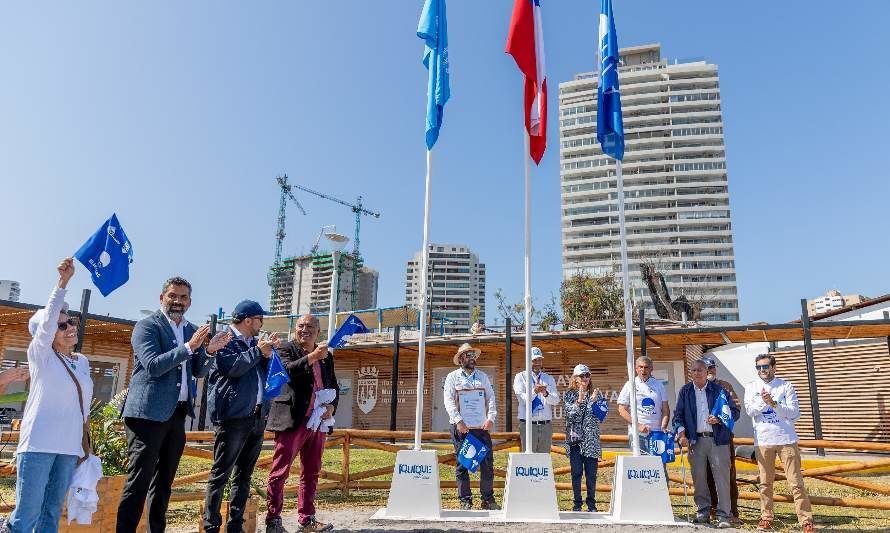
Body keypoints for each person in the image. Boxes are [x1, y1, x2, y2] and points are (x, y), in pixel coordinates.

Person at [117, 277, 223, 533]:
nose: (178, 301)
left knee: (164, 482)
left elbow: (198, 372)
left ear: (190, 301)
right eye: (173, 296)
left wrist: (209, 352)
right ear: (161, 297)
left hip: (177, 415)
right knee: (138, 482)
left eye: (183, 297)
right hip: (146, 416)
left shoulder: (193, 330)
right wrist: (190, 347)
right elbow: (153, 365)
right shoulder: (146, 326)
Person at [8, 258, 94, 533]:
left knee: (51, 515)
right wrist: (62, 283)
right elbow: (44, 329)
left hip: (69, 448)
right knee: (27, 516)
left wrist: (85, 445)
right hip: (39, 445)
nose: (70, 327)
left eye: (70, 322)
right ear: (46, 334)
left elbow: (83, 408)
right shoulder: (41, 356)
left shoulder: (81, 362)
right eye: (61, 325)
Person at [202, 300, 281, 533]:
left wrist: (267, 355)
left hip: (256, 417)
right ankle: (211, 526)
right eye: (260, 320)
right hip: (233, 418)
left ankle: (235, 525)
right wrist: (258, 351)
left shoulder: (254, 344)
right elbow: (232, 368)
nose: (262, 324)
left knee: (244, 475)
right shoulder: (224, 339)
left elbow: (265, 378)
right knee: (221, 474)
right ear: (248, 320)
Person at [265, 314, 338, 533]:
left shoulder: (326, 356)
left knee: (311, 472)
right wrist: (312, 357)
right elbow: (287, 370)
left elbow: (333, 384)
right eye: (300, 326)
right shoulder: (286, 348)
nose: (304, 329)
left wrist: (332, 406)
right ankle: (273, 520)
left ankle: (307, 520)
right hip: (293, 419)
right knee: (280, 472)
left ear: (318, 332)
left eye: (310, 326)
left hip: (317, 422)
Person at [744, 354, 815, 533]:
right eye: (759, 367)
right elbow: (750, 411)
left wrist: (773, 403)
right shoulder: (752, 386)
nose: (762, 370)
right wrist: (763, 401)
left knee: (796, 482)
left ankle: (806, 521)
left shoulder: (786, 385)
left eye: (766, 366)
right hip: (763, 441)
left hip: (786, 440)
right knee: (765, 483)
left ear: (774, 367)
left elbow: (794, 413)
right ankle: (766, 518)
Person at [673, 359, 739, 528]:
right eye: (693, 370)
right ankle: (703, 512)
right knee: (699, 479)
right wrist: (681, 433)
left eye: (700, 370)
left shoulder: (719, 390)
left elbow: (734, 411)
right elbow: (678, 416)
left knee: (722, 479)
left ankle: (724, 515)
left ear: (706, 371)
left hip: (718, 440)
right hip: (696, 441)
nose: (696, 373)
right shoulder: (685, 391)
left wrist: (719, 418)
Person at [443, 343, 498, 511]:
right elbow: (448, 400)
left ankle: (487, 499)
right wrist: (458, 421)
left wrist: (491, 418)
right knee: (463, 464)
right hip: (461, 427)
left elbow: (491, 399)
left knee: (487, 463)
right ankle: (465, 499)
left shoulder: (483, 377)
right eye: (468, 355)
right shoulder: (452, 377)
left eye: (473, 355)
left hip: (481, 427)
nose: (472, 358)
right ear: (460, 359)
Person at [702, 356, 742, 524]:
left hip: (723, 438)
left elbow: (736, 411)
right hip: (702, 439)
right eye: (706, 368)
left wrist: (720, 419)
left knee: (728, 476)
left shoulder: (725, 386)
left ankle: (732, 512)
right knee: (706, 476)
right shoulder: (694, 388)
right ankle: (711, 510)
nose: (710, 371)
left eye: (712, 368)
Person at [562, 364, 603, 512]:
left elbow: (601, 415)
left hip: (591, 440)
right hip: (576, 441)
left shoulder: (596, 393)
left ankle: (591, 504)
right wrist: (579, 400)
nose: (585, 378)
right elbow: (570, 415)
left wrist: (593, 402)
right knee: (576, 473)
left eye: (587, 375)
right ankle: (577, 504)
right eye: (582, 375)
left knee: (591, 475)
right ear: (575, 378)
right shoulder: (570, 394)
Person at [617, 356, 670, 454]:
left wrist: (663, 426)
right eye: (640, 367)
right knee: (641, 466)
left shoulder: (659, 385)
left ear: (651, 369)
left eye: (646, 367)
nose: (643, 370)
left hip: (657, 433)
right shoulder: (630, 384)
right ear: (636, 368)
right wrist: (638, 425)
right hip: (638, 434)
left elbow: (666, 410)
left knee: (659, 466)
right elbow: (622, 410)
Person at [513, 346, 559, 453]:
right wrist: (535, 391)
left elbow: (556, 400)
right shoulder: (520, 377)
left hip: (546, 425)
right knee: (528, 459)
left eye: (539, 360)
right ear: (528, 361)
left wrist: (545, 393)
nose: (537, 362)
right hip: (528, 425)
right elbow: (522, 399)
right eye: (534, 360)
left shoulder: (548, 378)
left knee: (544, 459)